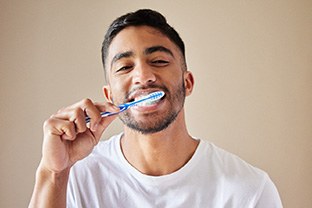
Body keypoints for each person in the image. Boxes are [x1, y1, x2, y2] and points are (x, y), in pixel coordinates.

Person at [29, 9, 283, 208]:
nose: (143, 76)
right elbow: (57, 175)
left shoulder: (249, 190)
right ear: (109, 95)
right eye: (125, 67)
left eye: (159, 61)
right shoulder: (74, 178)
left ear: (187, 82)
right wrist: (53, 173)